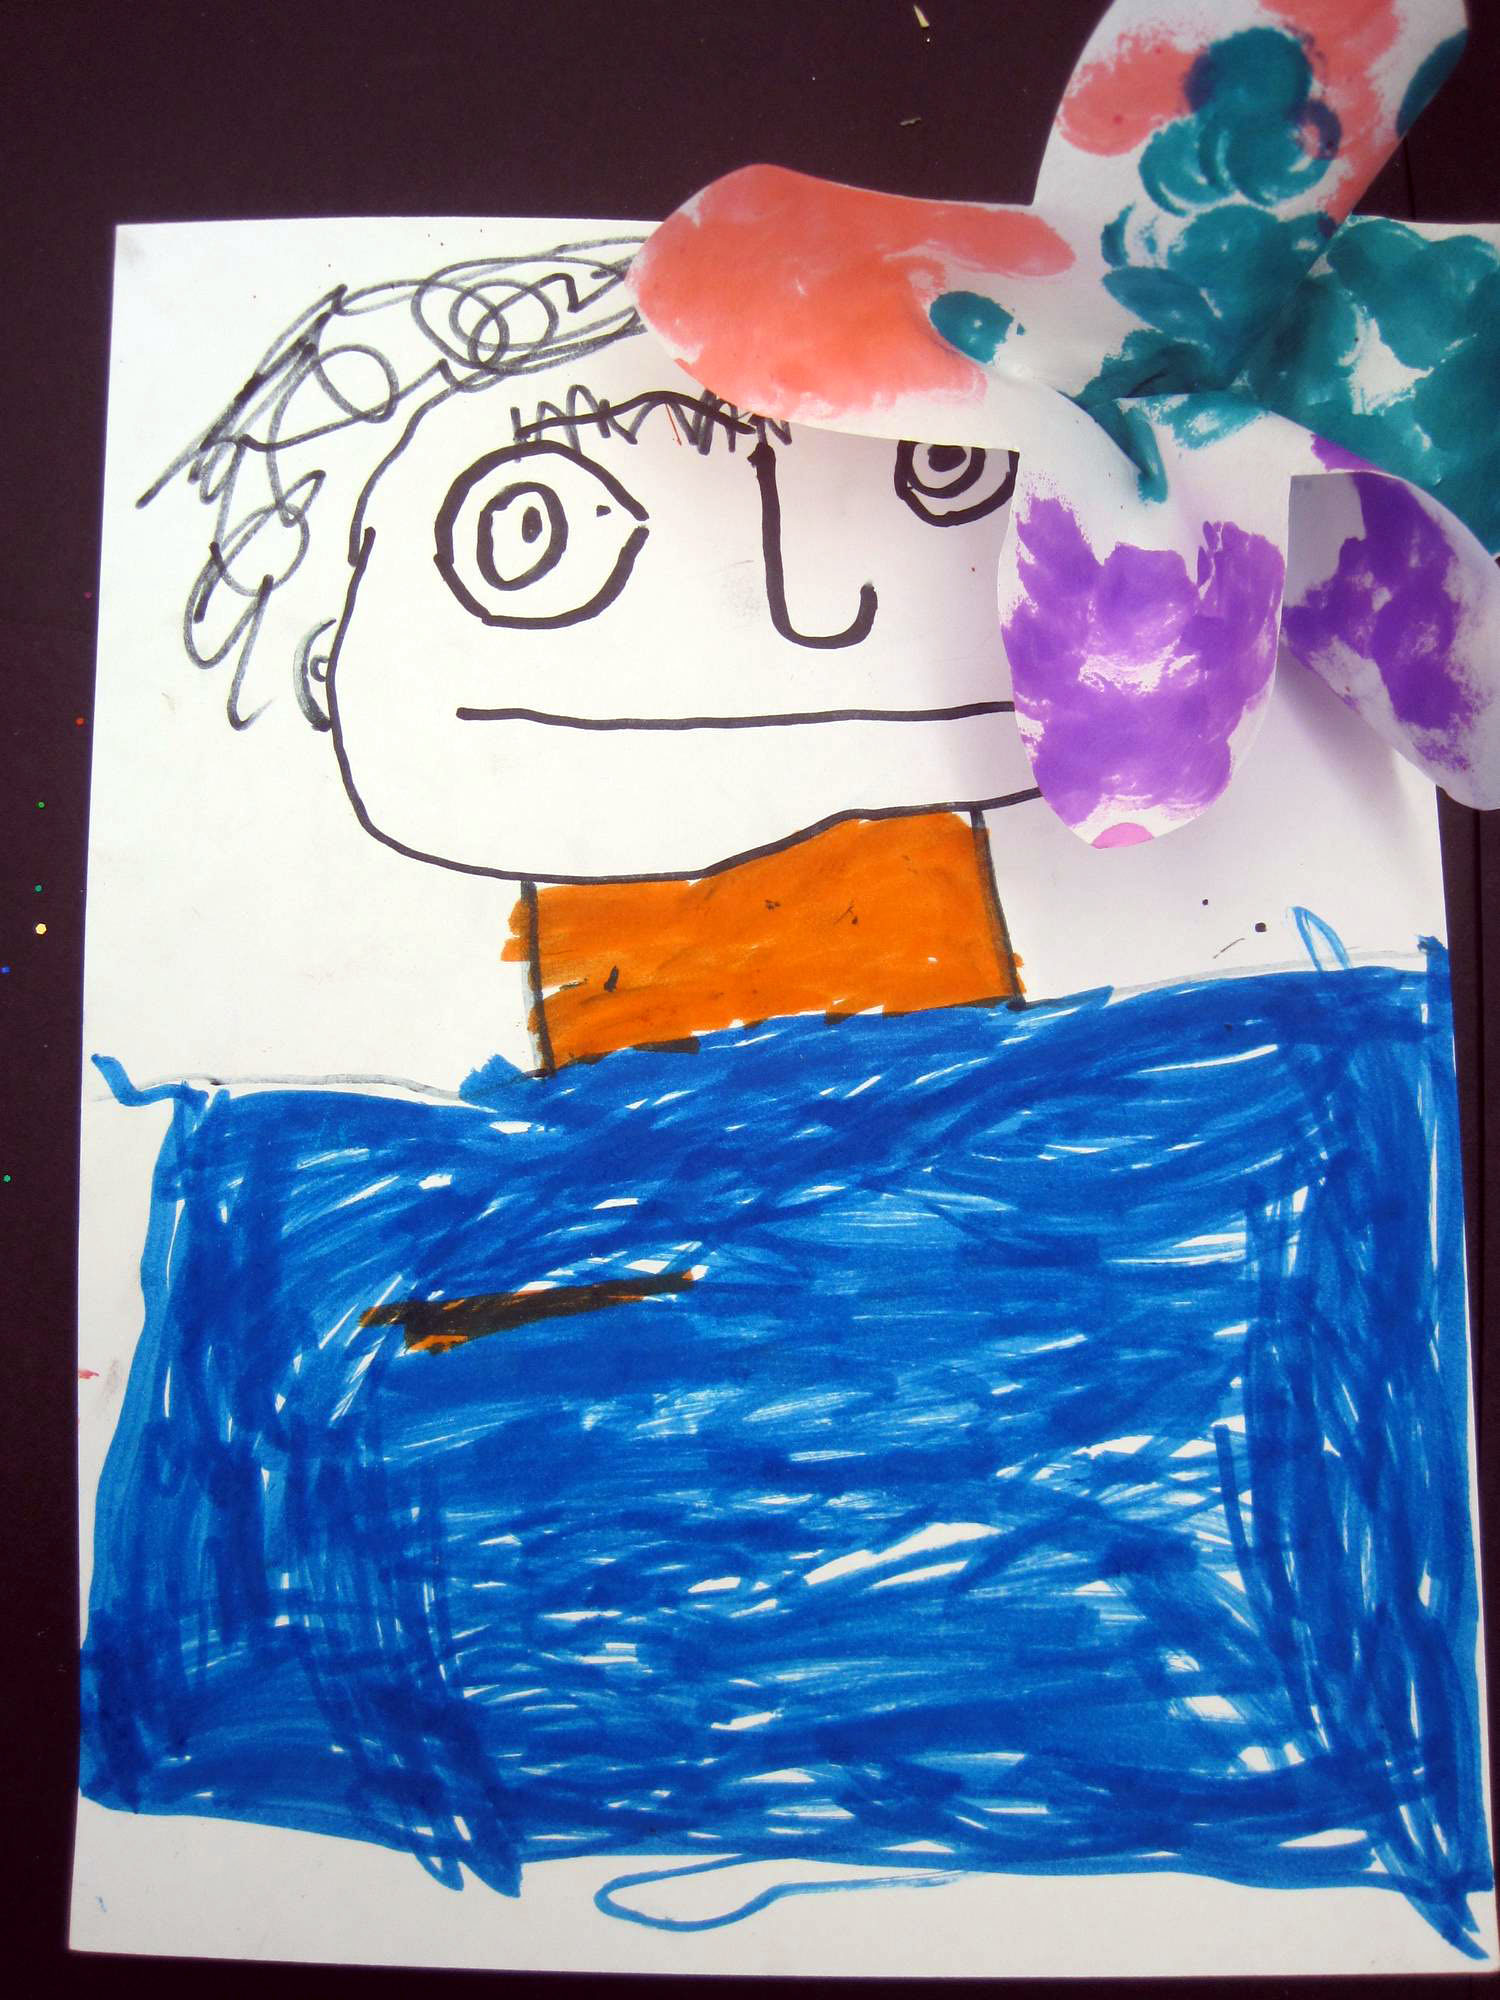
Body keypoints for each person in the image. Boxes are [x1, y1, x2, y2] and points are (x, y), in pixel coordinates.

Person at [79, 238, 1488, 1953]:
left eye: (937, 477)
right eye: (528, 533)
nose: (798, 604)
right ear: (320, 647)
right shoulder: (294, 1265)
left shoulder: (1299, 1135)